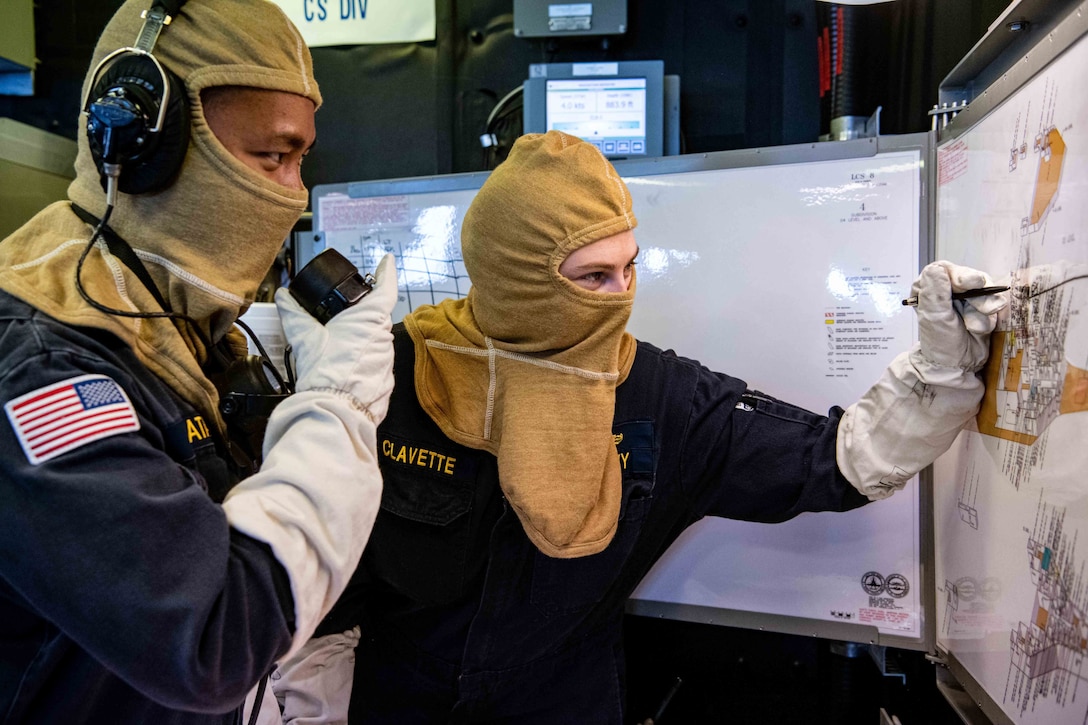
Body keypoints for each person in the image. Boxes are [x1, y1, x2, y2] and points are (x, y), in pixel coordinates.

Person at [278, 130, 1008, 723]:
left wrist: (941, 370)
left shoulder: (660, 397)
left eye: (629, 269)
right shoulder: (396, 372)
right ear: (514, 275)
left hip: (563, 706)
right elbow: (312, 566)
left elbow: (840, 459)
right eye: (592, 277)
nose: (619, 298)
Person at [0, 1, 396, 722]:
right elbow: (215, 640)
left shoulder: (168, 320)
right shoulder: (43, 367)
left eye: (301, 159)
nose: (293, 193)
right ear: (138, 147)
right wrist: (341, 399)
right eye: (271, 157)